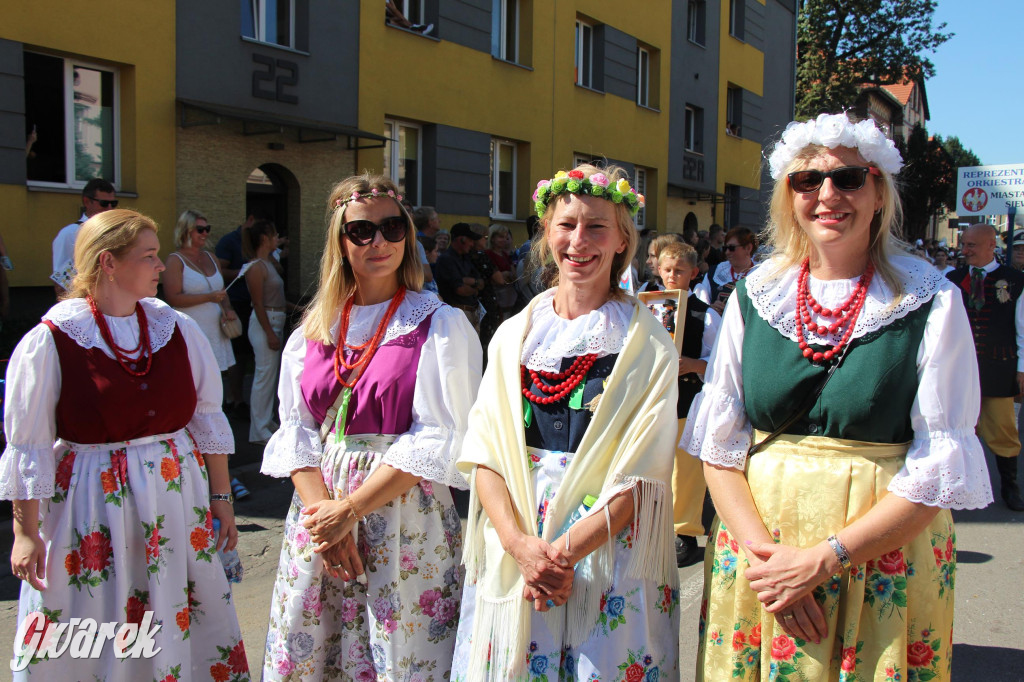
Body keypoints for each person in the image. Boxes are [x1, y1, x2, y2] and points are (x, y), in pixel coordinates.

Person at [683, 113, 993, 681]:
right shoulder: (756, 295)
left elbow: (938, 468)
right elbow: (720, 448)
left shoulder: (931, 300)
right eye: (807, 181)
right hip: (762, 559)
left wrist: (825, 559)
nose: (827, 195)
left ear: (879, 193)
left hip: (877, 558)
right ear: (789, 195)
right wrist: (771, 564)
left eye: (849, 178)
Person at [452, 165, 680, 681]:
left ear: (623, 239)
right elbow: (485, 453)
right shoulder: (513, 335)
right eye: (566, 224)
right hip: (518, 538)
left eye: (597, 226)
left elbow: (643, 476)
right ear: (546, 233)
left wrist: (562, 556)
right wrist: (520, 547)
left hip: (604, 547)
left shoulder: (649, 346)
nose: (579, 241)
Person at [3, 209, 249, 680]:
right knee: (95, 616)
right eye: (150, 257)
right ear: (108, 263)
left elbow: (206, 421)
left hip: (174, 501)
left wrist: (221, 501)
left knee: (173, 607)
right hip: (90, 504)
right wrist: (25, 532)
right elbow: (27, 446)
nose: (161, 267)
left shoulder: (175, 329)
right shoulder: (53, 340)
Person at [259, 174, 480, 679]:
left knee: (400, 650)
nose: (378, 242)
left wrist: (352, 510)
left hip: (401, 513)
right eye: (361, 231)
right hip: (319, 517)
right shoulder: (316, 328)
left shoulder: (440, 324)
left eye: (391, 227)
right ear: (341, 242)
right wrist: (327, 520)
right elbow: (297, 431)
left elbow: (439, 436)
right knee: (318, 647)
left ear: (408, 235)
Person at [948, 223, 1024, 511]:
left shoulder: (1015, 281)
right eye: (964, 244)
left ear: (991, 245)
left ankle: (1010, 489)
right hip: (960, 369)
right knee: (960, 428)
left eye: (971, 246)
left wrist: (1022, 368)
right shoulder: (953, 278)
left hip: (998, 366)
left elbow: (1022, 328)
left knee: (1003, 431)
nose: (964, 250)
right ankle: (961, 489)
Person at [656, 242, 721, 568]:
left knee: (685, 471)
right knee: (656, 464)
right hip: (654, 401)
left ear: (694, 273)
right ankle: (653, 526)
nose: (671, 275)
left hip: (687, 400)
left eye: (679, 270)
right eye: (667, 269)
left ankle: (683, 532)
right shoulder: (648, 308)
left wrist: (692, 364)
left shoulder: (705, 315)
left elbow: (721, 364)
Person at [163, 209, 237, 375]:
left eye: (207, 229)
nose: (205, 233)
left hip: (216, 329)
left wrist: (228, 308)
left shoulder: (211, 257)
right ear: (185, 230)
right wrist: (208, 297)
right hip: (193, 330)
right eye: (200, 229)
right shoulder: (175, 260)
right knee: (194, 377)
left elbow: (222, 291)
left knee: (216, 378)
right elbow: (172, 298)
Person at [244, 219, 288, 445]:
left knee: (270, 376)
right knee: (263, 376)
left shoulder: (268, 263)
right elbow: (258, 304)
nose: (276, 239)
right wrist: (269, 333)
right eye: (273, 235)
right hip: (266, 322)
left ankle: (266, 421)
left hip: (275, 319)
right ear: (264, 238)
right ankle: (258, 429)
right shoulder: (256, 267)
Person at [216, 211, 264, 416]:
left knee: (247, 355)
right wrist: (245, 271)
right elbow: (221, 272)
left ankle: (239, 400)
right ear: (250, 220)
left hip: (250, 303)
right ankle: (234, 399)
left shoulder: (253, 243)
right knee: (237, 354)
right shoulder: (229, 241)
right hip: (236, 302)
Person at [51, 178, 117, 295]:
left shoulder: (118, 232)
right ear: (87, 202)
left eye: (114, 204)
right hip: (85, 302)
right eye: (104, 203)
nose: (109, 208)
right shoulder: (71, 233)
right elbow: (61, 281)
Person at [694, 226, 756, 315]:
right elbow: (700, 305)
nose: (727, 252)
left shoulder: (762, 275)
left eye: (731, 248)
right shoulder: (714, 273)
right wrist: (711, 307)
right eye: (725, 248)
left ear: (748, 248)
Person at [434, 223, 486, 330]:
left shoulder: (466, 258)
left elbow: (481, 283)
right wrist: (474, 287)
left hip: (472, 312)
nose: (472, 244)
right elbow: (460, 289)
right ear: (461, 239)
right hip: (457, 314)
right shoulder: (446, 259)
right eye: (470, 240)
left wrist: (471, 282)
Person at [480, 224, 518, 346]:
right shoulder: (488, 254)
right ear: (492, 238)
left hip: (508, 300)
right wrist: (505, 276)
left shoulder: (505, 255)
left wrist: (506, 275)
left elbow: (514, 275)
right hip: (496, 299)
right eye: (500, 237)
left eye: (506, 237)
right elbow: (499, 280)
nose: (504, 240)